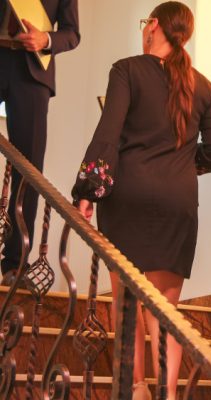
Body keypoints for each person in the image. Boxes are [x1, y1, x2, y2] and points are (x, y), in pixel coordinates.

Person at [71, 2, 211, 399]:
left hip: (129, 196)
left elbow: (108, 133)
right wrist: (181, 165)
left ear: (153, 25)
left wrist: (87, 191)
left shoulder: (127, 70)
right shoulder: (205, 87)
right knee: (165, 308)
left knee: (126, 303)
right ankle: (168, 394)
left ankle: (136, 388)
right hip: (178, 200)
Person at [0, 0, 80, 286]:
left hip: (32, 73)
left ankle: (15, 265)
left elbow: (72, 33)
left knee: (29, 172)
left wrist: (46, 39)